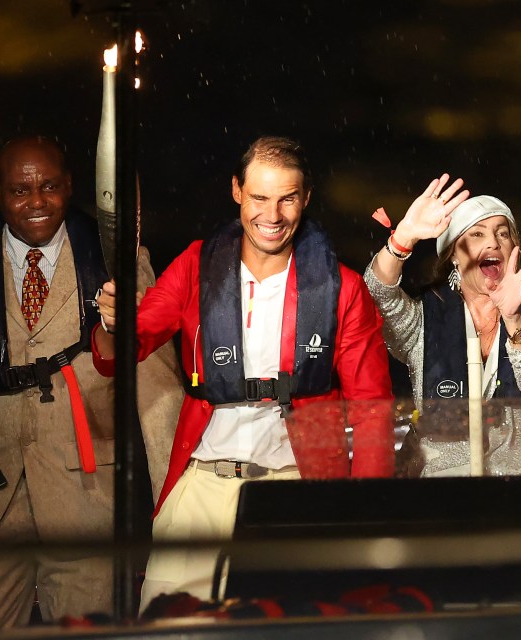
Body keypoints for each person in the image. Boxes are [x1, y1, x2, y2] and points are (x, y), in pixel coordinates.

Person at [93, 135, 395, 609]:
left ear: (306, 198)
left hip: (296, 490)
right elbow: (121, 351)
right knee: (171, 625)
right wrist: (113, 321)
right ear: (237, 191)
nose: (271, 216)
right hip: (203, 486)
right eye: (258, 197)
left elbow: (373, 412)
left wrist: (362, 514)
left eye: (286, 199)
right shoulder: (197, 266)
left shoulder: (344, 287)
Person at [0, 135, 182, 631]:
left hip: (88, 500)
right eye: (19, 190)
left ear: (70, 186)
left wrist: (172, 506)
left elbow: (157, 390)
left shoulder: (115, 258)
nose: (35, 201)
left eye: (49, 186)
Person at [363, 176, 521, 476]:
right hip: (442, 489)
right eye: (476, 234)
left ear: (515, 250)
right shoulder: (423, 321)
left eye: (503, 233)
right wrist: (402, 238)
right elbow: (375, 297)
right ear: (454, 256)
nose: (493, 241)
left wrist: (513, 320)